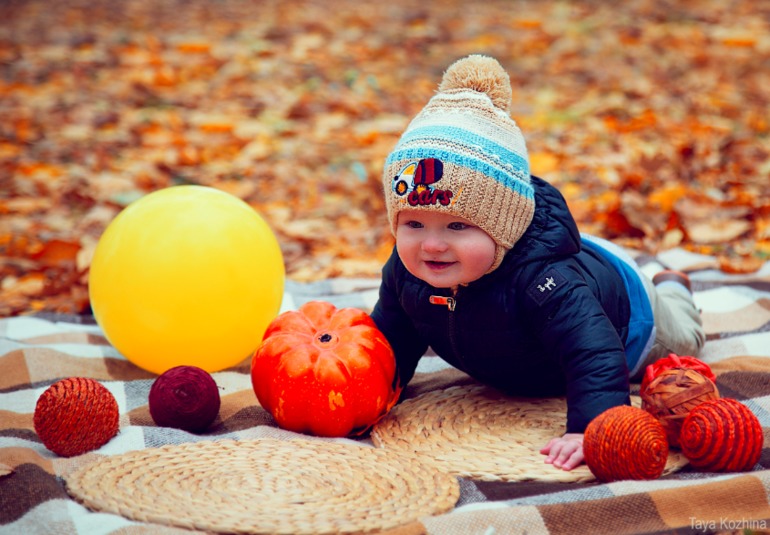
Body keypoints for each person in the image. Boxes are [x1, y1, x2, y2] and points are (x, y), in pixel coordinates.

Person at [369, 54, 705, 471]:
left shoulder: (545, 281)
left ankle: (674, 287)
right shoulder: (407, 272)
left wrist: (592, 427)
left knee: (686, 343)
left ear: (503, 228)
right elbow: (391, 338)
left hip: (630, 313)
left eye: (457, 227)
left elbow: (593, 351)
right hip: (569, 287)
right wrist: (368, 392)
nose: (432, 245)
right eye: (414, 223)